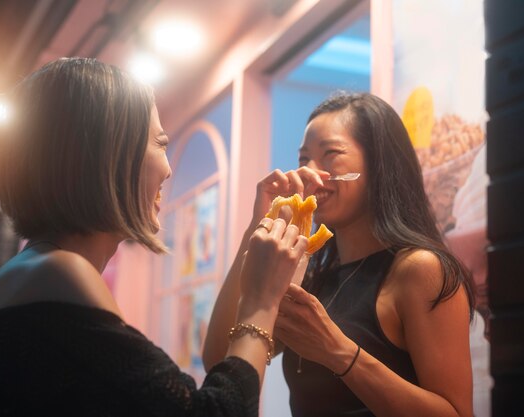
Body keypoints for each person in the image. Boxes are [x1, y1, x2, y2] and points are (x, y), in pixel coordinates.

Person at [0, 57, 308, 417]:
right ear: (109, 156)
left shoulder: (31, 271)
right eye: (161, 143)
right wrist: (261, 300)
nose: (167, 169)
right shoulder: (61, 271)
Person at [204, 92, 476, 417]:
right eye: (304, 159)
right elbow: (221, 360)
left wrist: (337, 350)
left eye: (330, 153)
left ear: (378, 166)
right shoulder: (313, 277)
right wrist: (258, 225)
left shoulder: (420, 270)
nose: (309, 172)